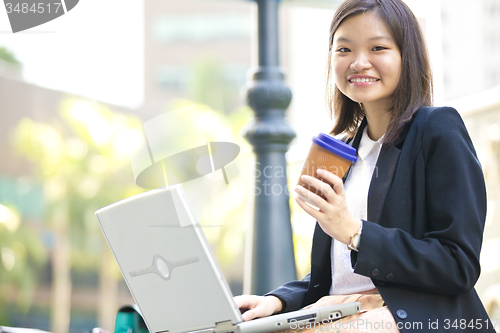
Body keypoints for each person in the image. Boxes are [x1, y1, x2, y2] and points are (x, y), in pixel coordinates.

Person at [234, 0, 496, 332]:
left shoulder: (437, 129)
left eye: (378, 47)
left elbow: (457, 264)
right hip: (344, 316)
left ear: (406, 56)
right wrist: (278, 301)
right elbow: (338, 275)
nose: (359, 62)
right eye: (344, 49)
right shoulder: (339, 151)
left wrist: (354, 232)